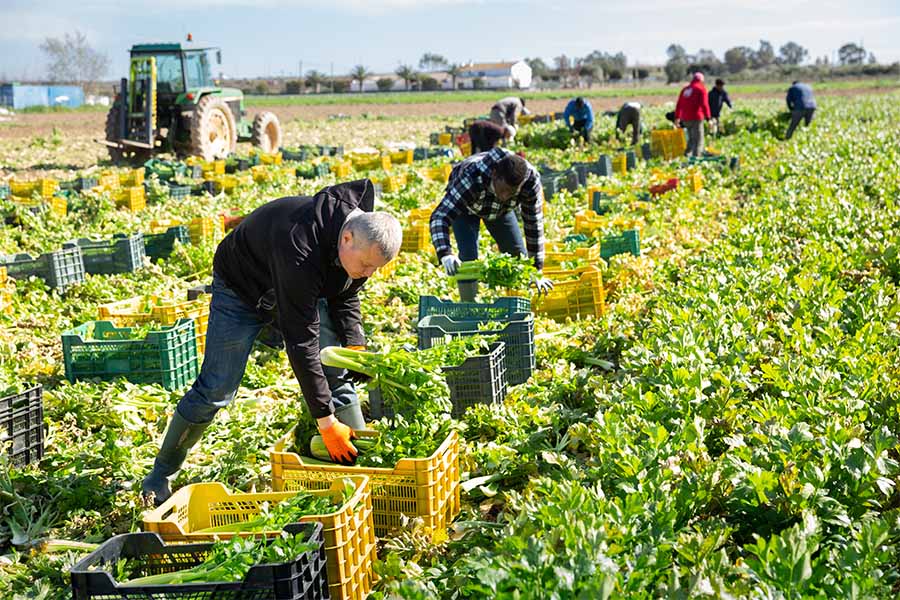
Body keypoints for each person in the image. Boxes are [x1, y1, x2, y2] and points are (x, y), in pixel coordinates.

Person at [141, 179, 403, 505]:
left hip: (298, 288)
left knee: (337, 370)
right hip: (243, 290)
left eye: (375, 269)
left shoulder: (356, 242)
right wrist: (325, 422)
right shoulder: (300, 247)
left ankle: (361, 468)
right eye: (366, 265)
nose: (367, 274)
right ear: (346, 238)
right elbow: (302, 342)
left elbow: (345, 294)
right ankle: (160, 473)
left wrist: (355, 343)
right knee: (216, 390)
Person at [430, 148, 554, 302]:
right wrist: (445, 253)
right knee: (469, 258)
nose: (505, 196)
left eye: (511, 192)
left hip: (500, 211)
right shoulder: (471, 178)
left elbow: (534, 223)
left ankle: (517, 303)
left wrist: (536, 270)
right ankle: (469, 307)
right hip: (467, 208)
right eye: (503, 190)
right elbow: (440, 216)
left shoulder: (529, 183)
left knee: (518, 255)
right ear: (494, 174)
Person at [674, 72, 711, 157]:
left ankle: (686, 155)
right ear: (701, 80)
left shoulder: (685, 89)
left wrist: (677, 117)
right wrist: (708, 118)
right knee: (698, 140)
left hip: (685, 118)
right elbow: (704, 104)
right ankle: (696, 160)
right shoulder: (701, 89)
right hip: (696, 118)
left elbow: (679, 104)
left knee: (691, 139)